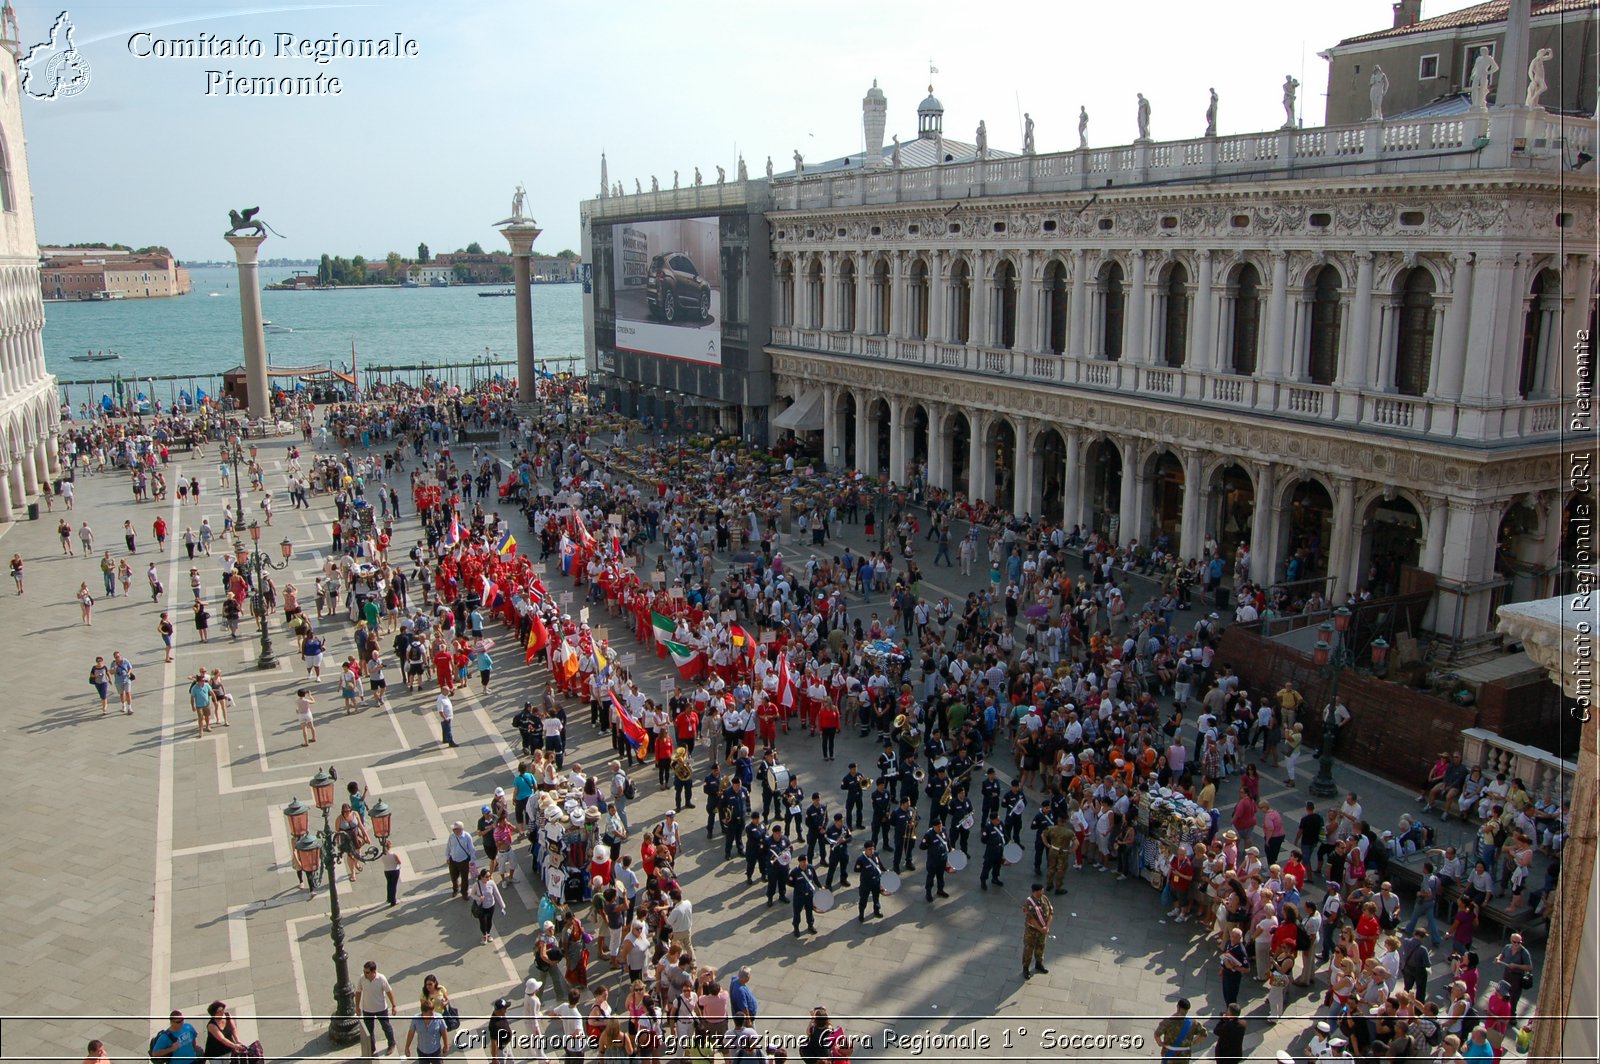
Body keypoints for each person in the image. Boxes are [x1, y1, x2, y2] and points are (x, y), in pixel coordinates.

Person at [359, 961, 399, 1056]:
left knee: (386, 1027)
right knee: (369, 1031)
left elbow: (389, 992)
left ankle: (391, 1044)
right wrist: (357, 1007)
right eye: (364, 971)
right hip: (367, 1009)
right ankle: (372, 1048)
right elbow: (358, 992)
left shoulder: (381, 979)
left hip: (381, 1008)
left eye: (367, 972)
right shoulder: (362, 979)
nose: (365, 974)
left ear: (374, 972)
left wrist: (394, 1006)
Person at [1021, 882, 1053, 979]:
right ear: (1036, 891)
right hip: (1032, 931)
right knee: (1028, 949)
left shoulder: (1044, 898)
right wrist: (1041, 929)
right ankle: (1025, 968)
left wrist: (1047, 927)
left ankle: (1039, 964)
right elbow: (1031, 919)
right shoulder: (1029, 903)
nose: (1043, 891)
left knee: (1041, 946)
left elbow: (1051, 912)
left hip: (1043, 929)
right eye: (1041, 890)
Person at [854, 841, 884, 921]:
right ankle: (861, 914)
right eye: (869, 849)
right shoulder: (861, 859)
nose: (872, 851)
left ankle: (876, 911)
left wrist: (884, 870)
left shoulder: (876, 855)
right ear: (866, 850)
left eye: (873, 849)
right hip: (866, 883)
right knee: (863, 900)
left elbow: (879, 864)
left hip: (876, 881)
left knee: (876, 898)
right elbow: (856, 869)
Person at [445, 821, 475, 898]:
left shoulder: (467, 836)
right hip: (453, 860)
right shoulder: (452, 836)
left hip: (463, 861)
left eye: (455, 829)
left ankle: (464, 892)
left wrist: (472, 860)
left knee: (464, 878)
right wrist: (447, 857)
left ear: (460, 829)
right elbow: (448, 847)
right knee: (453, 877)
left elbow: (471, 849)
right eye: (453, 829)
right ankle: (455, 889)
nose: (453, 830)